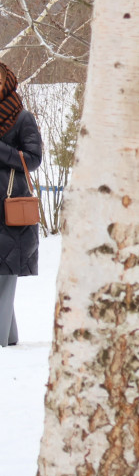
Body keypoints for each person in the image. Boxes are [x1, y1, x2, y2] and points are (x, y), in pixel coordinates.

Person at [0, 62, 43, 347]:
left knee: (4, 277)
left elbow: (33, 158)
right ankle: (10, 338)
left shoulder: (21, 117)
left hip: (8, 209)